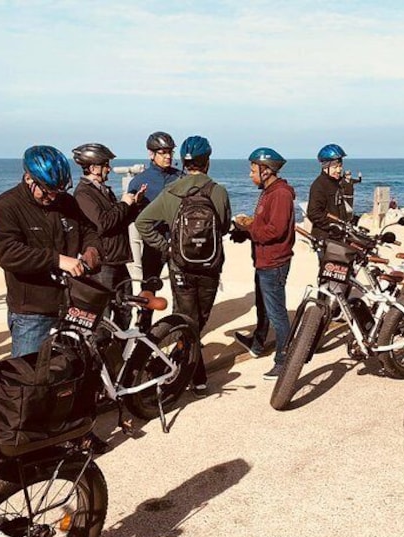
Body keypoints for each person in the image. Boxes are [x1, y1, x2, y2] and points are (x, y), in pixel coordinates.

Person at [135, 135, 231, 398]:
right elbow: (222, 226)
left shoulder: (172, 191)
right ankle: (195, 376)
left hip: (181, 267)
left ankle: (180, 369)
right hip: (210, 266)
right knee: (197, 321)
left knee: (186, 320)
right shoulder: (218, 191)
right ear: (207, 161)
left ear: (184, 162)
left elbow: (143, 223)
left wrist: (166, 248)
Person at [0, 146, 101, 357]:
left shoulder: (66, 202)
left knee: (73, 370)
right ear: (29, 178)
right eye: (48, 190)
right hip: (32, 311)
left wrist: (92, 250)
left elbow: (88, 231)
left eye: (58, 190)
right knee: (30, 379)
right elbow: (7, 253)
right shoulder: (5, 206)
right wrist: (57, 260)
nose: (52, 196)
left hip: (72, 303)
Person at [232, 148, 296, 378]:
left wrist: (248, 227)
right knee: (263, 306)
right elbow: (263, 225)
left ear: (266, 170)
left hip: (274, 262)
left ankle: (284, 359)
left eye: (253, 170)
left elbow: (275, 230)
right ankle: (258, 344)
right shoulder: (268, 192)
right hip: (263, 260)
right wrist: (244, 232)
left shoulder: (280, 194)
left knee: (277, 313)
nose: (250, 175)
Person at [72, 143, 146, 329]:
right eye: (105, 165)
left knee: (124, 310)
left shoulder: (104, 190)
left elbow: (118, 221)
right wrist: (123, 204)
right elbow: (103, 223)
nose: (109, 169)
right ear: (93, 167)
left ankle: (118, 353)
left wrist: (133, 204)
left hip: (118, 260)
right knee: (101, 317)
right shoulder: (83, 193)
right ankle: (100, 354)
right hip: (103, 265)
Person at [127, 132, 183, 324]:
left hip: (177, 242)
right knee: (148, 289)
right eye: (163, 152)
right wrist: (137, 203)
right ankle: (143, 327)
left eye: (170, 152)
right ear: (151, 154)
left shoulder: (180, 177)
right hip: (154, 244)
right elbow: (131, 215)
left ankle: (182, 331)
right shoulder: (139, 181)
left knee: (181, 290)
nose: (168, 156)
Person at [307, 143, 350, 239]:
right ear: (325, 167)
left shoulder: (336, 183)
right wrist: (331, 226)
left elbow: (337, 206)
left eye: (340, 166)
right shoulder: (319, 185)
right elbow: (313, 213)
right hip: (325, 237)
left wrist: (348, 219)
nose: (339, 170)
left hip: (339, 235)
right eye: (335, 167)